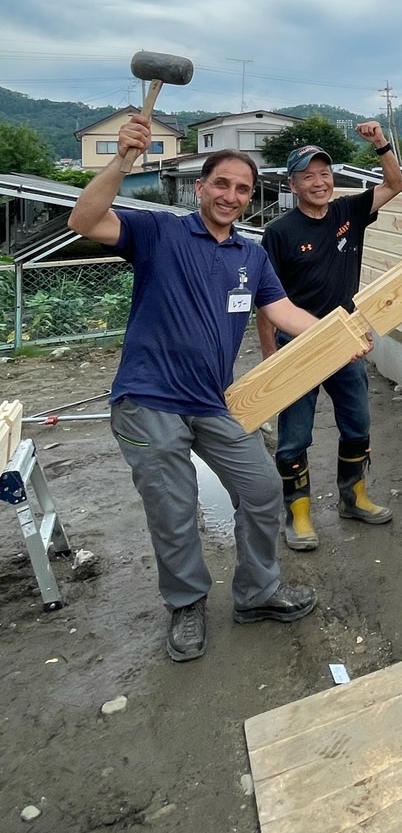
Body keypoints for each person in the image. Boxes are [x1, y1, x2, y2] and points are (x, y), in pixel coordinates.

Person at [67, 115, 348, 663]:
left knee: (262, 490)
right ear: (200, 187)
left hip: (212, 401)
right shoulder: (160, 232)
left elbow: (284, 311)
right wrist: (122, 160)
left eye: (242, 189)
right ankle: (186, 603)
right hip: (149, 402)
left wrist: (342, 335)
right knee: (175, 511)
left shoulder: (251, 255)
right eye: (221, 184)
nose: (231, 196)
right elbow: (85, 220)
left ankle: (258, 593)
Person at [258, 125, 402, 550]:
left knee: (357, 423)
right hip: (296, 346)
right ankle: (298, 513)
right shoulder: (280, 233)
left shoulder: (348, 213)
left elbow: (394, 184)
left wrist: (380, 144)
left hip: (346, 343)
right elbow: (265, 302)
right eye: (308, 176)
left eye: (324, 174)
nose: (319, 182)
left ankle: (353, 497)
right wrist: (270, 356)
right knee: (295, 435)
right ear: (293, 185)